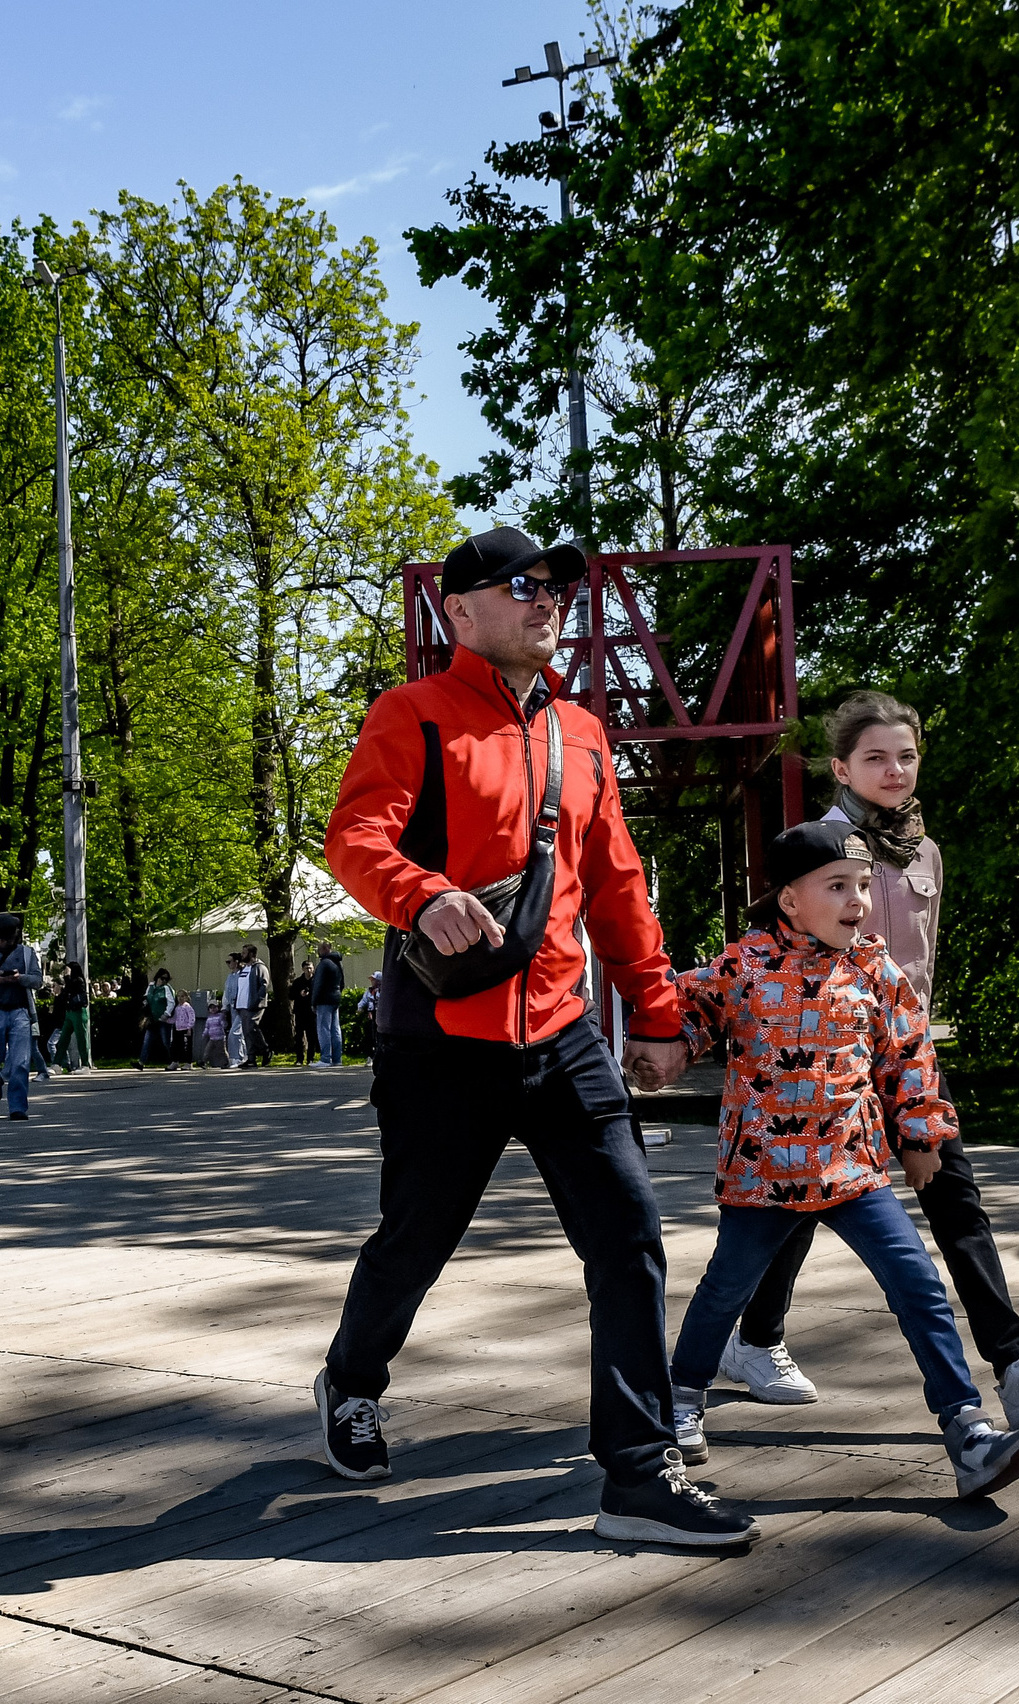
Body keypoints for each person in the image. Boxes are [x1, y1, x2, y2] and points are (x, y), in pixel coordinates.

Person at [315, 524, 751, 1547]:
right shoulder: (413, 714)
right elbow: (355, 837)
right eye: (522, 585)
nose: (547, 599)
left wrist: (657, 1016)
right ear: (459, 611)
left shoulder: (582, 732)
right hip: (441, 1042)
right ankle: (351, 1380)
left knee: (629, 1236)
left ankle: (637, 1474)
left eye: (557, 586)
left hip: (562, 1034)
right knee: (415, 1242)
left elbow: (618, 886)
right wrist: (421, 895)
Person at [720, 692, 1019, 1433]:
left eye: (906, 756)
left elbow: (919, 965)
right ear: (841, 768)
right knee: (797, 1211)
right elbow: (778, 953)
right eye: (875, 757)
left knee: (956, 1202)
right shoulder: (812, 847)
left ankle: (1016, 1365)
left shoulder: (926, 851)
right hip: (824, 1059)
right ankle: (755, 1340)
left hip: (908, 1055)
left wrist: (913, 1064)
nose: (894, 770)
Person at [663, 820, 1019, 1499]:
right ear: (790, 901)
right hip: (762, 1175)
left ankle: (968, 1432)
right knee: (725, 1291)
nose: (857, 901)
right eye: (837, 886)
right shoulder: (744, 965)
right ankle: (681, 1398)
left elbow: (910, 1053)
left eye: (864, 885)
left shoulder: (875, 968)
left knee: (918, 1285)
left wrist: (921, 1136)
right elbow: (683, 1012)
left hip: (853, 1169)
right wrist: (661, 1048)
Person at [0, 913, 44, 1120]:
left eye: (9, 939)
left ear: (16, 936)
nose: (5, 943)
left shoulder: (27, 954)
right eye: (2, 939)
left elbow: (38, 981)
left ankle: (17, 1107)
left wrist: (20, 978)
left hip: (19, 1011)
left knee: (20, 1062)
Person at [52, 960, 92, 1072]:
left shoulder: (79, 981)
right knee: (63, 1039)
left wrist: (67, 977)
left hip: (79, 1011)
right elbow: (65, 994)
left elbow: (71, 987)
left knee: (81, 1039)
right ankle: (57, 1064)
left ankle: (85, 1065)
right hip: (69, 1012)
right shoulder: (70, 981)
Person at [310, 942, 345, 1067]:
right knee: (335, 1029)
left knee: (323, 1028)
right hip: (335, 997)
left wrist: (313, 1002)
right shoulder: (337, 963)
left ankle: (325, 1058)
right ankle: (337, 1058)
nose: (318, 952)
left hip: (324, 999)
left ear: (325, 949)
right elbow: (342, 983)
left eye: (319, 949)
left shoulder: (324, 964)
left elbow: (318, 984)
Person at [241, 944, 272, 1068]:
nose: (242, 955)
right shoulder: (244, 968)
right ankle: (251, 1058)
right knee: (246, 1032)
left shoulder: (260, 967)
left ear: (251, 954)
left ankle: (265, 1050)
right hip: (242, 1005)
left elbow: (264, 986)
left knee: (252, 1028)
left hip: (254, 1005)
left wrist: (257, 1001)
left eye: (244, 953)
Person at [139, 968, 174, 1069]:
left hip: (163, 1019)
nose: (164, 981)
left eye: (166, 979)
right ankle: (141, 1062)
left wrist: (166, 1014)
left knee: (166, 1041)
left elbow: (171, 1002)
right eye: (162, 978)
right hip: (152, 1019)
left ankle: (173, 1061)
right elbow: (146, 997)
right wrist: (145, 1003)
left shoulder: (166, 988)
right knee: (147, 1040)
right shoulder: (151, 986)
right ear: (157, 977)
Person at [221, 954, 252, 1066]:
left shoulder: (242, 975)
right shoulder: (230, 976)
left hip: (241, 1006)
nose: (228, 964)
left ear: (236, 962)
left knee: (235, 1032)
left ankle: (236, 1057)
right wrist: (224, 1007)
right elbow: (226, 992)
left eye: (230, 961)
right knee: (240, 1033)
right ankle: (244, 1056)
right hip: (233, 1007)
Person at [201, 998, 230, 1068]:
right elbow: (207, 1027)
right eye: (211, 1008)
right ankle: (203, 1062)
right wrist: (204, 1034)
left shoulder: (220, 1016)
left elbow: (224, 1024)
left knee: (222, 1051)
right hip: (212, 1038)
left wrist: (224, 1023)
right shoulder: (209, 1018)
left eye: (214, 1007)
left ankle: (226, 1063)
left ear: (218, 1008)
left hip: (220, 1038)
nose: (213, 1009)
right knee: (207, 1050)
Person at [171, 991, 196, 1066]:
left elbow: (192, 1017)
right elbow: (175, 1018)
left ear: (186, 997)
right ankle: (175, 1061)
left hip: (186, 1029)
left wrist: (189, 1027)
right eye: (178, 996)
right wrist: (167, 1020)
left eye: (182, 996)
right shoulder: (177, 1008)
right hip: (178, 1029)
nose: (180, 998)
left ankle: (188, 1062)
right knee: (176, 1046)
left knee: (187, 1047)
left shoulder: (187, 1006)